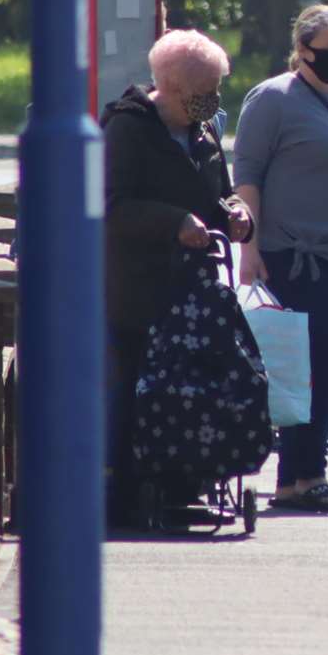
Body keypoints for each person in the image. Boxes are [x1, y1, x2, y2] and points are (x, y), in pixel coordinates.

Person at [234, 4, 328, 513]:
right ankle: (305, 473)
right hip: (298, 255)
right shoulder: (273, 99)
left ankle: (294, 478)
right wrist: (248, 247)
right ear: (302, 49)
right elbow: (248, 176)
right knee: (315, 364)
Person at [102, 29, 254, 522]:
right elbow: (112, 206)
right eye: (202, 91)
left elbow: (218, 191)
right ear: (167, 85)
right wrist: (174, 223)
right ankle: (130, 493)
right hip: (140, 289)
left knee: (199, 386)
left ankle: (189, 480)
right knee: (138, 390)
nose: (212, 101)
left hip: (196, 291)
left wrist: (234, 213)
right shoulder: (127, 130)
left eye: (216, 90)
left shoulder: (204, 130)